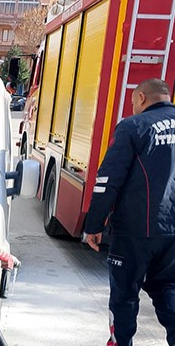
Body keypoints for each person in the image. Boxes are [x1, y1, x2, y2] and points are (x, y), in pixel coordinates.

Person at [85, 78, 175, 346]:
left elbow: (107, 180)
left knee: (124, 295)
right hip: (172, 234)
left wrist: (94, 225)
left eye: (134, 101)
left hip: (135, 231)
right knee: (169, 289)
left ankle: (121, 342)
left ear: (141, 98)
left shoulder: (133, 127)